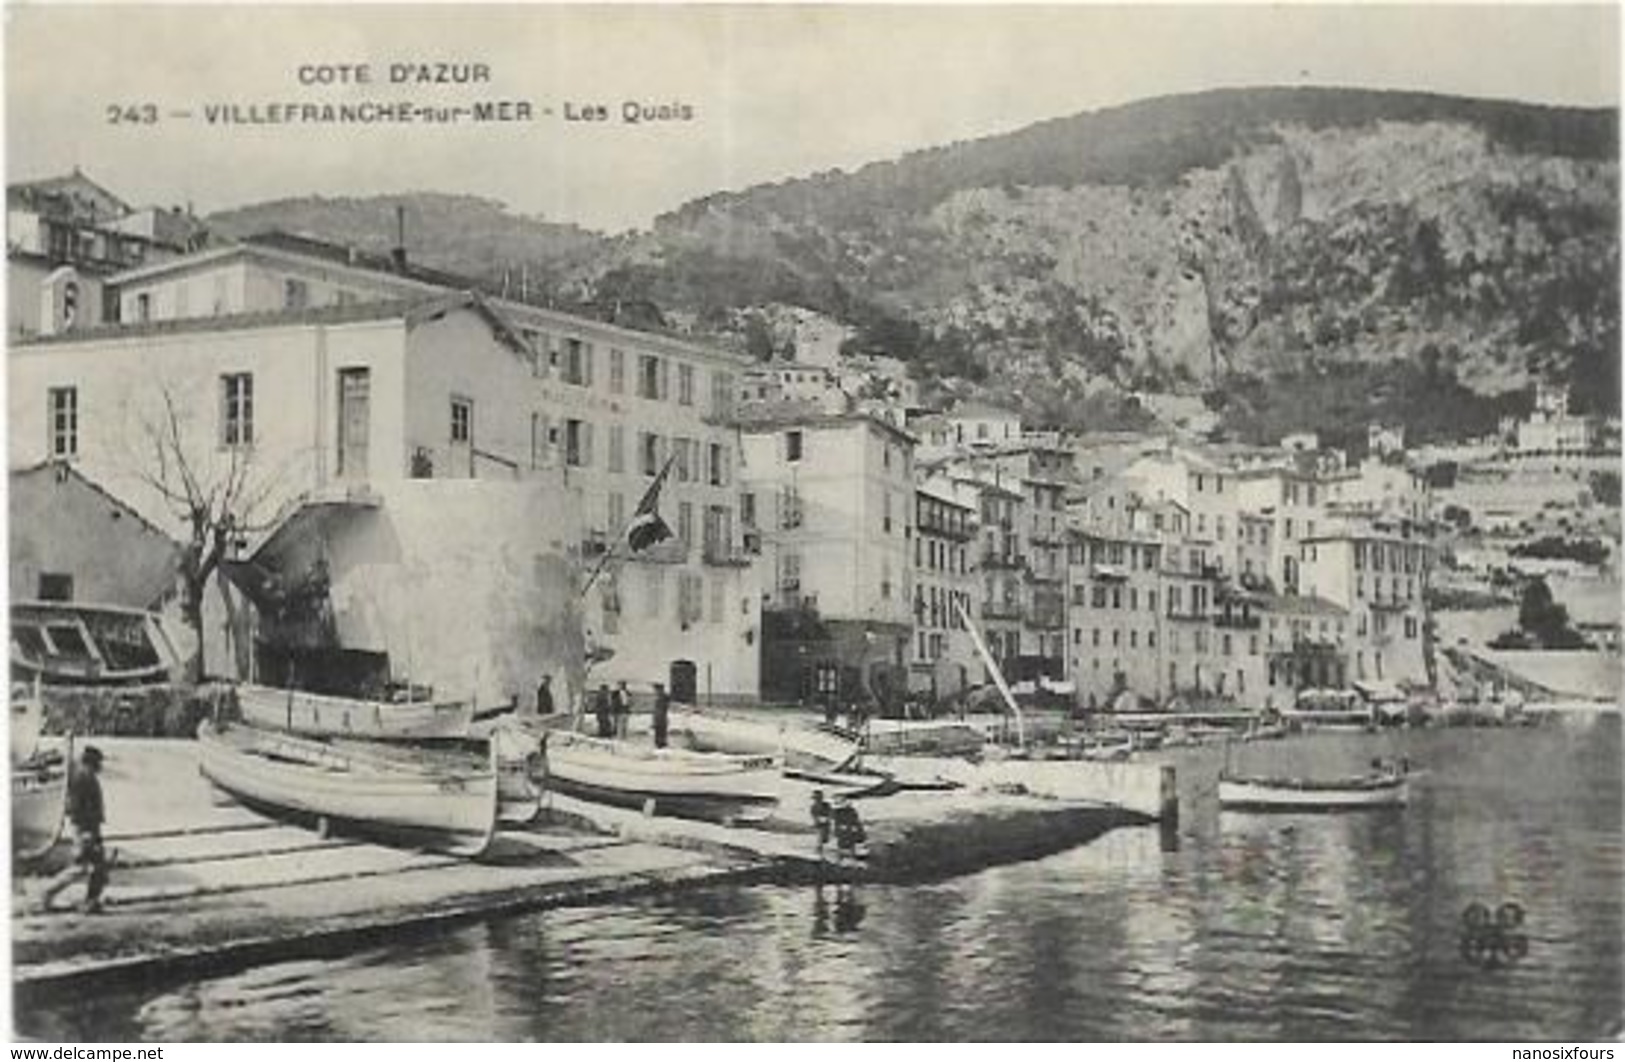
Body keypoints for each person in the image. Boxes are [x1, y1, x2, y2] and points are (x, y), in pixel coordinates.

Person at [42, 746, 109, 913]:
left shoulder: (82, 775)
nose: (100, 766)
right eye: (98, 762)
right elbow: (76, 807)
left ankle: (91, 901)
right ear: (92, 761)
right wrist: (87, 833)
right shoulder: (84, 777)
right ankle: (47, 893)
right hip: (86, 828)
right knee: (82, 866)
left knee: (97, 867)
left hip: (88, 827)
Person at [810, 789, 833, 854]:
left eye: (818, 798)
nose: (817, 800)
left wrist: (827, 818)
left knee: (825, 838)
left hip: (826, 823)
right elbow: (813, 815)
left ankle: (820, 847)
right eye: (816, 798)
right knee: (820, 836)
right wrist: (816, 820)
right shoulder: (813, 806)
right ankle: (819, 849)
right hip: (819, 823)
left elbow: (831, 813)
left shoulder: (826, 805)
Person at [650, 682, 671, 749]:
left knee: (660, 734)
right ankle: (661, 746)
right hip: (661, 717)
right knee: (661, 734)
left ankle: (661, 747)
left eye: (656, 689)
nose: (655, 691)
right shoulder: (662, 696)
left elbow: (660, 709)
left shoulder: (662, 697)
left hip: (660, 717)